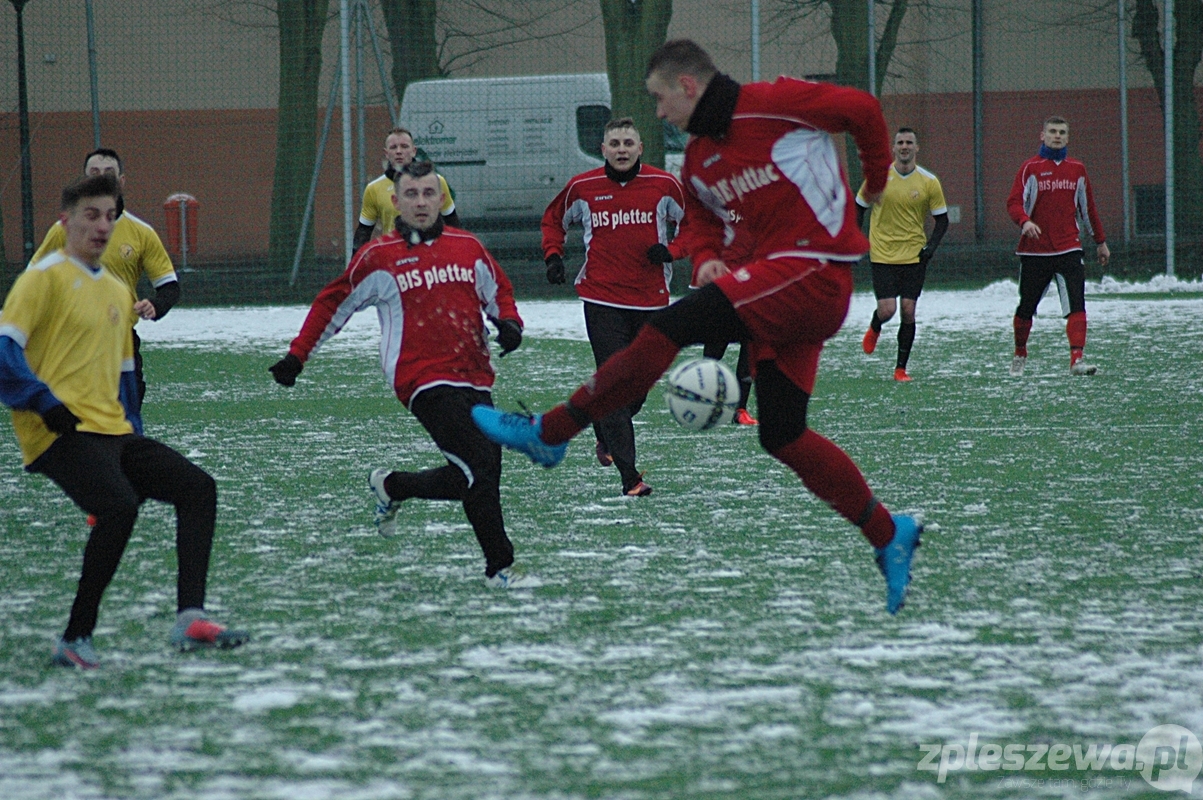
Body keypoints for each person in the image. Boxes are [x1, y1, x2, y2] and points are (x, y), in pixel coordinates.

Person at [473, 39, 923, 615]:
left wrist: (878, 178)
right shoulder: (700, 158)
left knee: (673, 324)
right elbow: (705, 219)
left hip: (815, 271)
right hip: (777, 285)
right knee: (782, 433)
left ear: (688, 86)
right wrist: (707, 254)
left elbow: (862, 110)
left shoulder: (775, 102)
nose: (657, 113)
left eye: (660, 99)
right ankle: (890, 534)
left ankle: (551, 432)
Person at [0, 174, 247, 669]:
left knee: (197, 488)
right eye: (92, 215)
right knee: (118, 507)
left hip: (113, 430)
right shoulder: (41, 278)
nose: (103, 226)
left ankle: (190, 618)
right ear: (65, 221)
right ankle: (75, 639)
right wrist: (41, 401)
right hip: (57, 430)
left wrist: (132, 429)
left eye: (110, 216)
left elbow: (124, 376)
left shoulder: (115, 290)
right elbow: (6, 351)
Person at [270, 161, 527, 588]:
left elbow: (498, 291)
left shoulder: (468, 247)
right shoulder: (380, 257)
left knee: (476, 472)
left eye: (429, 193)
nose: (422, 202)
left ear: (442, 198)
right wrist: (297, 357)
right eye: (412, 194)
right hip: (421, 379)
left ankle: (393, 485)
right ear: (395, 202)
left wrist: (510, 324)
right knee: (478, 469)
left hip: (475, 375)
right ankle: (499, 567)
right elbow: (333, 303)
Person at [542, 116, 688, 496]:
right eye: (615, 143)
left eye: (628, 142)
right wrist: (553, 254)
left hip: (651, 299)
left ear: (640, 149)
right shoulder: (583, 187)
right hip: (601, 298)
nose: (621, 149)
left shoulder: (664, 184)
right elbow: (553, 219)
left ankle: (604, 427)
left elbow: (696, 224)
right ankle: (631, 478)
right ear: (603, 149)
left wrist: (672, 250)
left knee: (636, 386)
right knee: (616, 384)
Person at [29, 148, 181, 417]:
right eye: (93, 173)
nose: (100, 179)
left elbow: (169, 286)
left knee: (125, 424)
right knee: (76, 427)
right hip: (73, 343)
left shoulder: (141, 233)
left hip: (120, 342)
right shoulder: (62, 231)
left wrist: (155, 306)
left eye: (108, 174)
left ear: (121, 182)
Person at [1005, 116, 1109, 377]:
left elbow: (1088, 209)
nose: (1057, 136)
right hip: (1035, 251)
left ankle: (1077, 359)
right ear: (1042, 136)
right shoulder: (1030, 168)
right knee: (1026, 307)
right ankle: (1020, 352)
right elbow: (1013, 202)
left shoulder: (1077, 169)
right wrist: (1025, 222)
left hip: (1068, 248)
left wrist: (1100, 242)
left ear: (1068, 137)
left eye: (1062, 132)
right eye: (1052, 131)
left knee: (1077, 303)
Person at [856, 128, 949, 381]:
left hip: (914, 256)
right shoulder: (878, 178)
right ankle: (875, 326)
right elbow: (859, 207)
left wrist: (930, 248)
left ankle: (900, 369)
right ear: (893, 148)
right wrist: (857, 239)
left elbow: (942, 220)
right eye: (900, 143)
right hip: (883, 255)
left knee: (908, 311)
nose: (905, 146)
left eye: (909, 142)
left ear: (917, 148)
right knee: (887, 310)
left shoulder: (929, 181)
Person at [353, 127, 460, 252]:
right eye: (393, 147)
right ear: (386, 153)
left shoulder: (437, 182)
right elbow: (363, 232)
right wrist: (354, 267)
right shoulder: (374, 188)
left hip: (432, 255)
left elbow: (453, 223)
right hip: (394, 257)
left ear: (414, 151)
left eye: (404, 146)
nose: (399, 151)